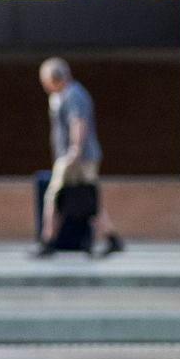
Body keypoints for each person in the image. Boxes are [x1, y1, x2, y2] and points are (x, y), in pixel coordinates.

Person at [34, 58, 123, 258]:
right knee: (87, 198)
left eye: (45, 80)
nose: (44, 85)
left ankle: (47, 240)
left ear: (54, 78)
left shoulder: (72, 95)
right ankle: (111, 237)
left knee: (53, 196)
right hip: (76, 156)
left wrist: (74, 150)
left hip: (75, 157)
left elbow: (78, 121)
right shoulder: (64, 95)